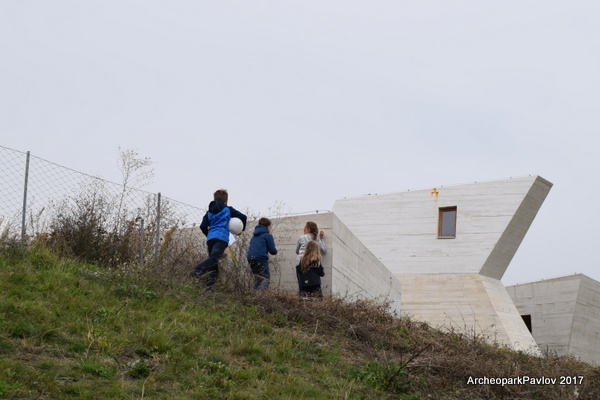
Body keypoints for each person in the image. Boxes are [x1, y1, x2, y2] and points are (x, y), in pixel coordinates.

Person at [192, 189, 247, 288]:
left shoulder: (209, 212)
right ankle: (196, 272)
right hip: (221, 238)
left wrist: (209, 234)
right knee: (213, 259)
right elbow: (243, 217)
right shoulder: (228, 209)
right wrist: (240, 231)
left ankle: (210, 288)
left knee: (213, 264)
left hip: (211, 239)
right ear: (226, 201)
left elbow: (203, 226)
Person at [246, 217, 278, 290]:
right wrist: (275, 249)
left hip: (250, 258)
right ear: (268, 226)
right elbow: (273, 251)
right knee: (266, 278)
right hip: (260, 258)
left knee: (258, 278)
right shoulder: (268, 235)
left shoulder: (254, 236)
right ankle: (261, 296)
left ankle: (255, 296)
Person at [295, 221, 326, 291]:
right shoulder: (317, 239)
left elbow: (297, 251)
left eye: (305, 227)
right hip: (313, 262)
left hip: (301, 263)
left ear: (308, 229)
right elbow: (324, 250)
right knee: (314, 283)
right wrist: (321, 238)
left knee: (302, 284)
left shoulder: (301, 237)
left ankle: (302, 298)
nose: (304, 229)